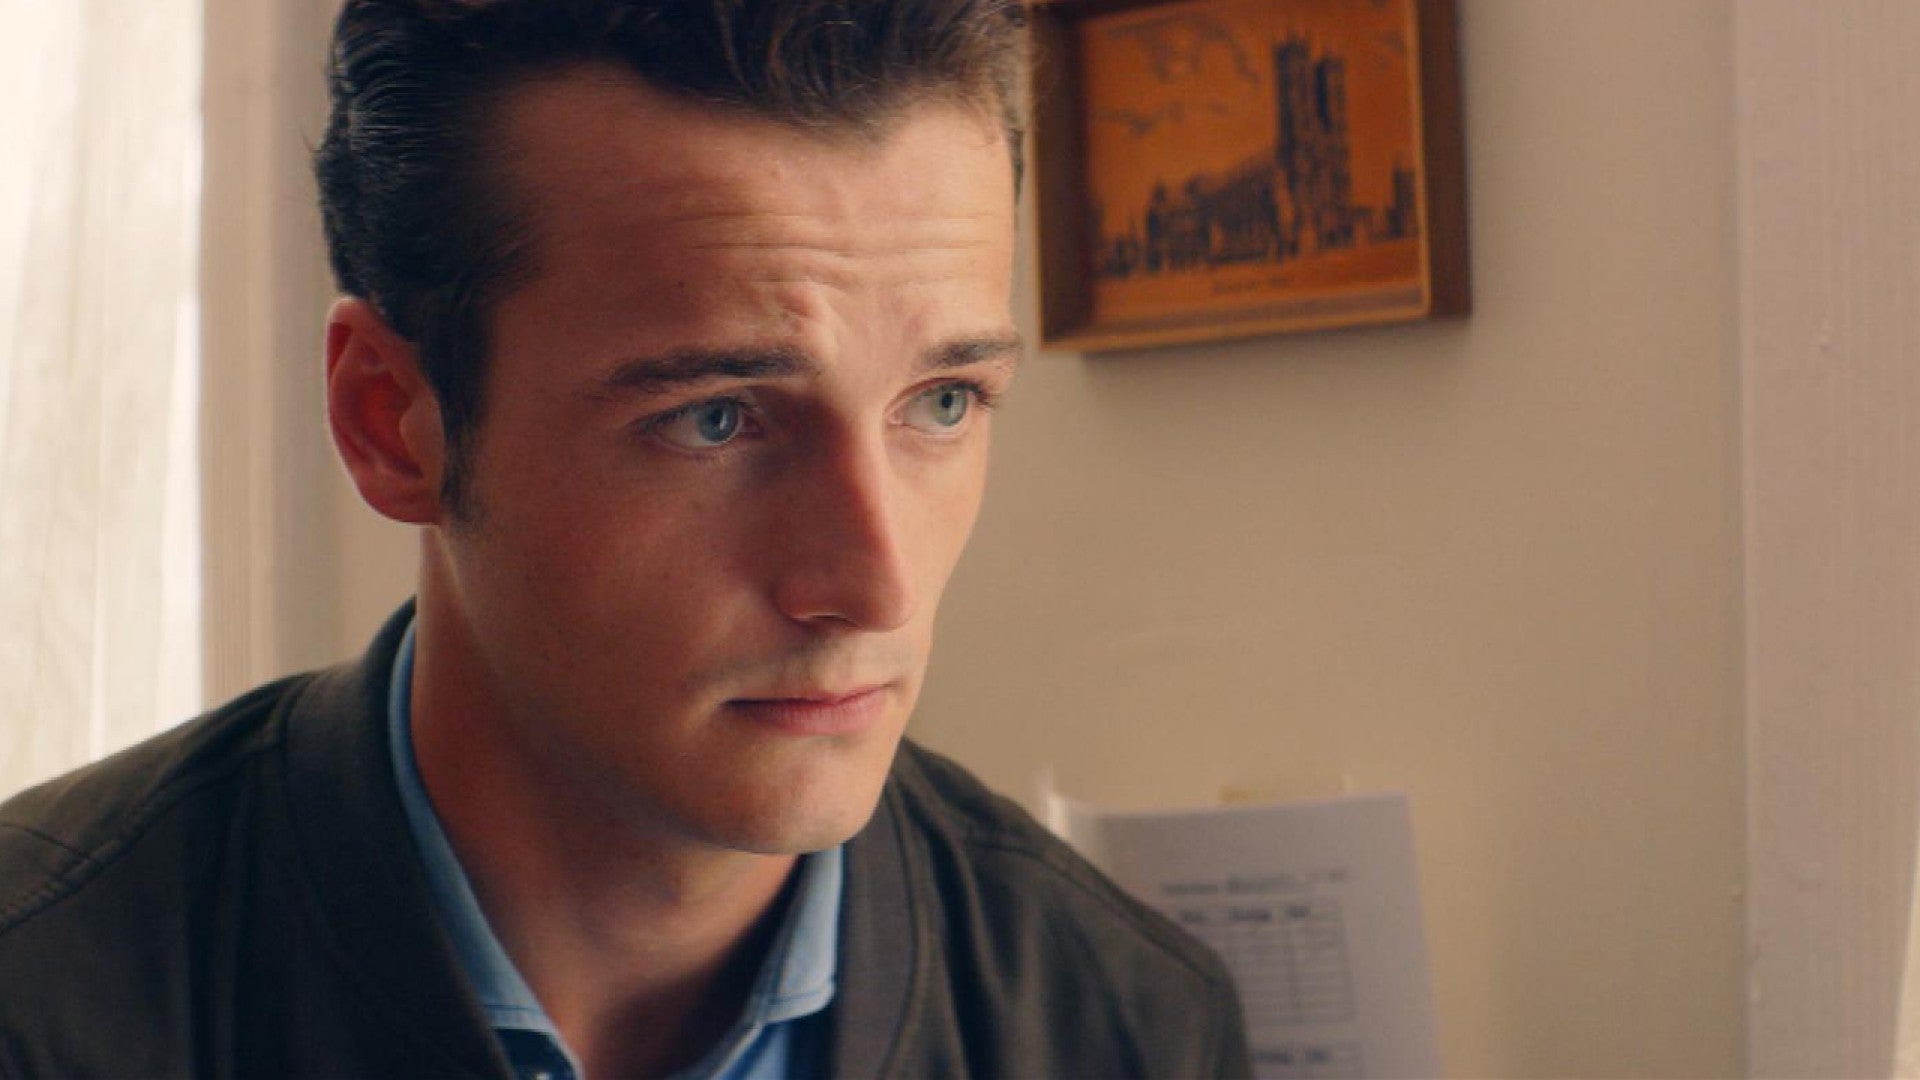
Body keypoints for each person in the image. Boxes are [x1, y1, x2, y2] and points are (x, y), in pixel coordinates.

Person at [0, 2, 1250, 1076]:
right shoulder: (42, 1004)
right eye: (716, 419)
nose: (876, 586)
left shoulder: (1126, 1024)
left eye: (942, 403)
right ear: (391, 423)